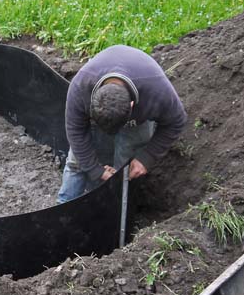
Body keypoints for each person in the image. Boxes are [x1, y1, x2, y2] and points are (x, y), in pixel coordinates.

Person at [57, 44, 187, 203]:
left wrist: (146, 158)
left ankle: (115, 206)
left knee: (125, 168)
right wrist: (97, 171)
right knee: (77, 162)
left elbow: (177, 121)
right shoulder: (80, 87)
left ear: (132, 106)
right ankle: (65, 205)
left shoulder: (157, 91)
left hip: (139, 113)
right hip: (102, 111)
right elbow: (75, 131)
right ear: (92, 103)